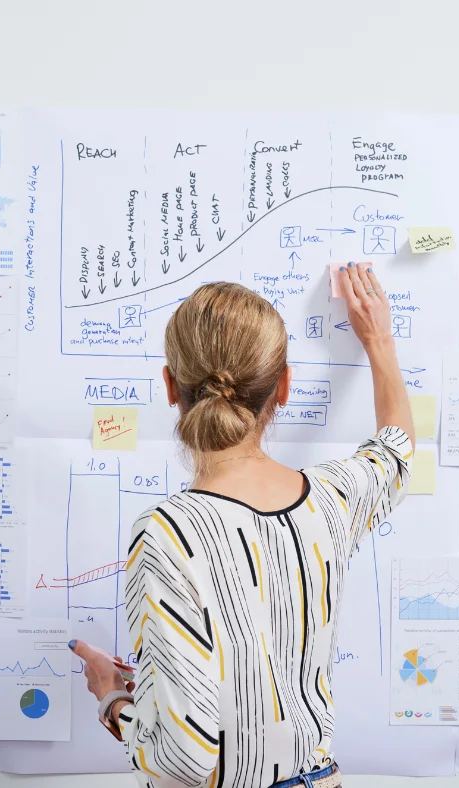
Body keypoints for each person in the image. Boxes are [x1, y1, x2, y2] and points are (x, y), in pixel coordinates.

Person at [72, 262, 413, 788]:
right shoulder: (333, 499)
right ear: (284, 387)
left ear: (169, 386)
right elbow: (395, 452)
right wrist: (379, 340)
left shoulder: (168, 533)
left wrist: (113, 699)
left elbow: (185, 758)